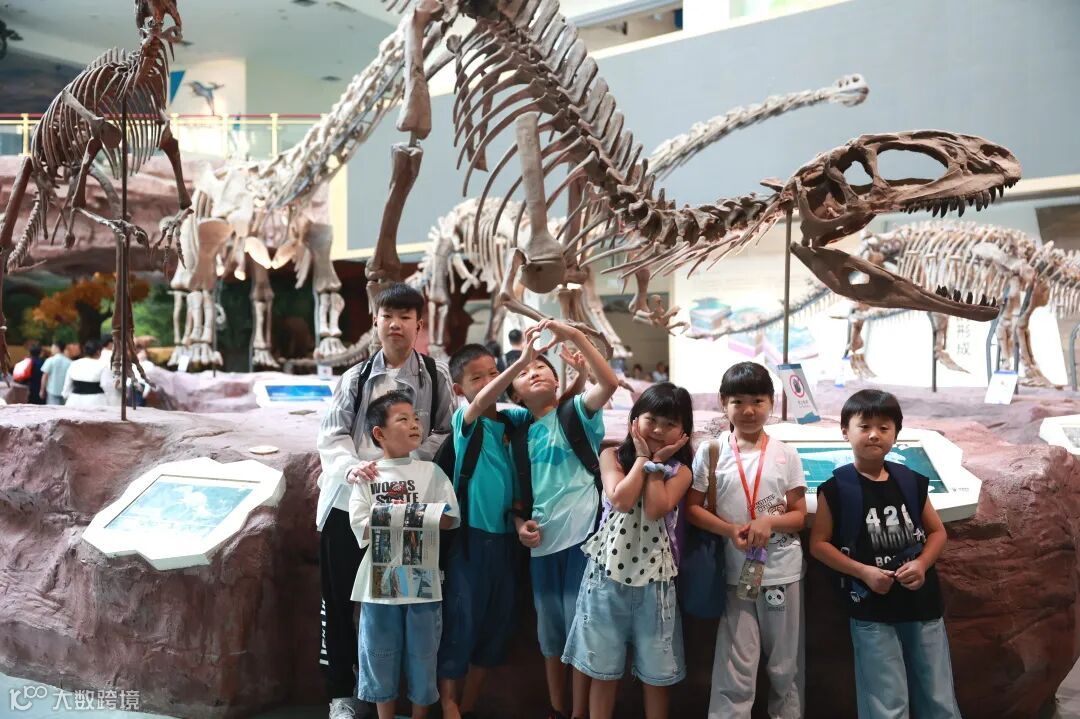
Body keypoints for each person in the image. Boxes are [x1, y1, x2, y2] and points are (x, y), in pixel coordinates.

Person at [317, 283, 454, 719]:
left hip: (408, 510)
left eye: (405, 317)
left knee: (406, 604)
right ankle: (343, 694)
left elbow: (446, 430)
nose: (395, 324)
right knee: (341, 600)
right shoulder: (354, 378)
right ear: (375, 321)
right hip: (351, 505)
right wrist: (353, 468)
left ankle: (406, 699)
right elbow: (332, 435)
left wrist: (406, 463)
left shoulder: (435, 376)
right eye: (388, 316)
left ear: (419, 324)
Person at [809, 389, 959, 719]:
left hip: (921, 602)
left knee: (937, 692)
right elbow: (819, 544)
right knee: (885, 698)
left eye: (884, 427)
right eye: (864, 426)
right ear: (845, 431)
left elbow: (936, 532)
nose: (874, 435)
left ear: (896, 432)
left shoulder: (912, 481)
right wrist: (862, 571)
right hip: (871, 605)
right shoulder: (835, 489)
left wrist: (922, 563)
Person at [501, 319, 620, 719]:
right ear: (514, 393)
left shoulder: (576, 413)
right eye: (524, 372)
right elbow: (519, 499)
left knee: (582, 630)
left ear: (556, 381)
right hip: (543, 548)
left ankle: (579, 712)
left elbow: (608, 384)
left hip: (583, 542)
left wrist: (575, 337)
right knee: (550, 636)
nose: (534, 372)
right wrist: (520, 526)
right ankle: (557, 708)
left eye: (542, 367)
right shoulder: (519, 438)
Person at [562, 382, 695, 719]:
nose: (659, 430)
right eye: (652, 420)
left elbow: (655, 508)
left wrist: (656, 465)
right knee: (602, 670)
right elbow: (620, 499)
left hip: (655, 584)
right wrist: (643, 460)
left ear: (684, 432)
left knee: (656, 673)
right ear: (635, 420)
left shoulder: (681, 472)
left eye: (670, 423)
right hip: (605, 578)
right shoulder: (612, 456)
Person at [686, 361, 807, 719]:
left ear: (771, 402)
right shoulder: (712, 451)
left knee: (785, 664)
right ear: (723, 403)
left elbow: (799, 515)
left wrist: (769, 522)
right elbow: (693, 509)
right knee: (735, 663)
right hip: (735, 573)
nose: (749, 410)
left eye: (758, 401)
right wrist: (729, 531)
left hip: (781, 571)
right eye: (738, 401)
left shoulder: (785, 454)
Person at [348, 391, 461, 719]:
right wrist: (413, 513)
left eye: (415, 418)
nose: (414, 424)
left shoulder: (431, 472)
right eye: (403, 419)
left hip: (422, 581)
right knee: (378, 655)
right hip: (379, 584)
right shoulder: (368, 476)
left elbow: (450, 518)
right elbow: (360, 526)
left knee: (423, 656)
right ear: (379, 433)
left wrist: (399, 513)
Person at [435, 343, 526, 719]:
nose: (490, 382)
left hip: (509, 543)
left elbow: (553, 413)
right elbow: (485, 399)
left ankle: (466, 708)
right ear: (459, 389)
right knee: (460, 624)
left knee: (495, 630)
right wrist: (520, 364)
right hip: (470, 542)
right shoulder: (465, 421)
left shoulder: (513, 420)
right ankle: (448, 704)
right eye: (478, 377)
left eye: (494, 373)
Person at [63, 340, 119, 408]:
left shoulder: (74, 364)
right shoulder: (103, 366)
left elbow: (67, 385)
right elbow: (106, 385)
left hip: (74, 401)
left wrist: (67, 396)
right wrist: (112, 403)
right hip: (96, 402)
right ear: (98, 352)